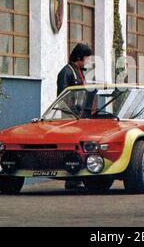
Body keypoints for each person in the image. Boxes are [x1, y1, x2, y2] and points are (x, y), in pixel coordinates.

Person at [57, 43, 92, 190]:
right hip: (70, 116)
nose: (88, 61)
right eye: (86, 57)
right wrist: (71, 114)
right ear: (79, 57)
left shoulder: (79, 71)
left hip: (80, 115)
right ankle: (71, 179)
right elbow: (63, 96)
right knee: (71, 147)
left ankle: (79, 176)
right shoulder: (66, 72)